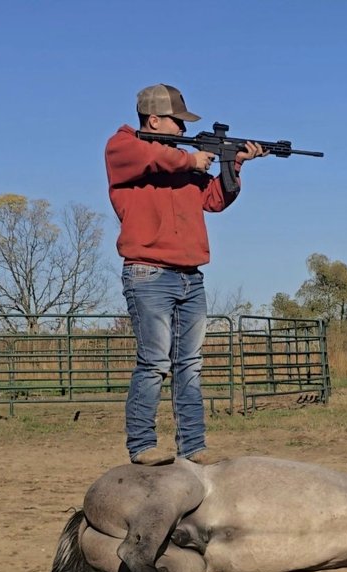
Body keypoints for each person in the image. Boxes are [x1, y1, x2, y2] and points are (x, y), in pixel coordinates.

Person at [105, 83, 267, 465]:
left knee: (190, 366)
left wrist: (234, 163)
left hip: (190, 276)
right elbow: (154, 157)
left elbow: (213, 200)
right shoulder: (123, 145)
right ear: (154, 119)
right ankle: (143, 447)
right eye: (178, 123)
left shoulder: (180, 160)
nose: (182, 130)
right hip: (148, 274)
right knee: (154, 363)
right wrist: (194, 160)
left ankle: (193, 448)